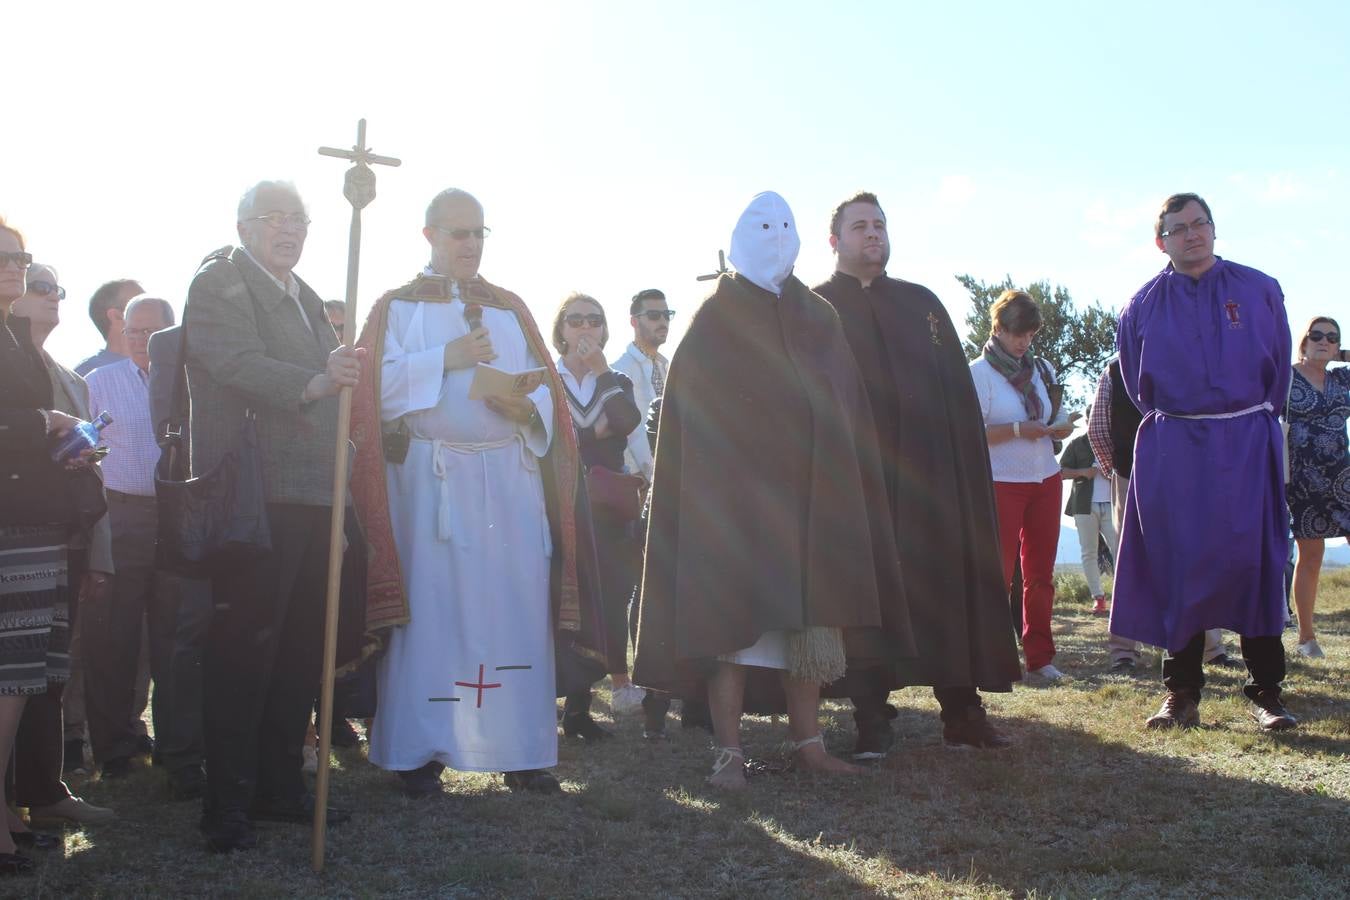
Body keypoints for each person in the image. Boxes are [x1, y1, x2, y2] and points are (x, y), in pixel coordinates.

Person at [632, 191, 914, 790]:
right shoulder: (715, 317)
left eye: (785, 225)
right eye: (763, 226)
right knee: (734, 634)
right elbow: (695, 416)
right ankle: (729, 753)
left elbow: (842, 403)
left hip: (811, 502)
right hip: (737, 506)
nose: (777, 236)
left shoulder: (817, 316)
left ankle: (808, 745)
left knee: (809, 629)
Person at [350, 187, 606, 800]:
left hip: (510, 484)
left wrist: (525, 403)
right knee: (436, 612)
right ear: (430, 236)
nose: (469, 244)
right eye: (457, 232)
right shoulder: (398, 307)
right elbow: (369, 392)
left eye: (478, 233)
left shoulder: (511, 308)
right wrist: (447, 356)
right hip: (431, 486)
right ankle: (419, 753)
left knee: (514, 610)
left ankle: (521, 753)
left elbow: (548, 396)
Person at [184, 180, 364, 851]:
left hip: (316, 498)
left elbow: (336, 409)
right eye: (274, 218)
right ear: (243, 225)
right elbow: (232, 362)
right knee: (244, 653)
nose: (289, 229)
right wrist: (316, 378)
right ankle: (226, 802)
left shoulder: (310, 298)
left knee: (298, 654)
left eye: (299, 219)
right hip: (255, 499)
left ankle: (279, 786)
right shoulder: (222, 280)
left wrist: (341, 503)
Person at [813, 192, 1021, 755]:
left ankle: (962, 710)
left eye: (879, 224)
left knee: (940, 586)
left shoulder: (921, 304)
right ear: (834, 241)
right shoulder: (813, 307)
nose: (872, 234)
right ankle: (871, 716)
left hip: (925, 478)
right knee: (868, 592)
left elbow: (954, 395)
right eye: (859, 227)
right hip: (854, 480)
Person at [1114, 192, 1296, 732]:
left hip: (1247, 441)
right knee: (1180, 562)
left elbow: (1280, 369)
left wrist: (1251, 426)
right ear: (1160, 240)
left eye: (1200, 224)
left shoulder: (1259, 290)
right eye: (1178, 228)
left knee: (1255, 560)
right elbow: (1134, 381)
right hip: (1176, 448)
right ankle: (1182, 692)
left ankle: (1267, 690)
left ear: (1214, 230)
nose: (1191, 234)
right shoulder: (1141, 305)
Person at [0, 218, 99, 875]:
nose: (16, 265)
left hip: (34, 515)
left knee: (24, 675)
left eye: (20, 256)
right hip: (10, 523)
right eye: (4, 258)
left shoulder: (12, 334)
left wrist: (61, 451)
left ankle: (8, 808)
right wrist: (44, 422)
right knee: (8, 679)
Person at [6, 263, 116, 830]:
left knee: (49, 670)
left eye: (55, 289)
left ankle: (44, 791)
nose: (50, 297)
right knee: (10, 674)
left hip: (65, 534)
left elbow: (88, 468)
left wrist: (99, 555)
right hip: (14, 533)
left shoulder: (70, 378)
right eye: (39, 287)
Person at [1088, 361, 1233, 673]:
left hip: (1181, 475)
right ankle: (1128, 651)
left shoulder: (1186, 356)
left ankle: (1207, 648)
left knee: (1191, 560)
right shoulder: (1116, 369)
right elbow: (1098, 429)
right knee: (1134, 563)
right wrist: (1119, 470)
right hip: (1135, 476)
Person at [83, 296, 176, 780]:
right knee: (115, 635)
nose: (140, 340)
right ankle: (114, 745)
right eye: (133, 331)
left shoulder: (186, 383)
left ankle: (174, 742)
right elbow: (80, 451)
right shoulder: (98, 383)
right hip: (119, 515)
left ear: (169, 333)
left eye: (151, 332)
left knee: (173, 634)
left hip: (177, 517)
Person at [970, 290, 1075, 684]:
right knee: (999, 575)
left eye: (1030, 334)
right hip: (1000, 483)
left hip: (1045, 480)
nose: (1024, 342)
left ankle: (1040, 658)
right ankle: (994, 657)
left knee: (1040, 575)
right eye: (1017, 333)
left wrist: (1062, 424)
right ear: (998, 327)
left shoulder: (1042, 368)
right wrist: (1017, 429)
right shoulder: (979, 373)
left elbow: (1057, 409)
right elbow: (972, 434)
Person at [551, 293, 642, 739]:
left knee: (604, 601)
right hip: (559, 502)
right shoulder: (547, 376)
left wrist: (603, 373)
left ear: (605, 329)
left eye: (594, 320)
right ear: (561, 329)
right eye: (575, 320)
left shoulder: (617, 378)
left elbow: (625, 422)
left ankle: (580, 710)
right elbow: (565, 432)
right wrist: (596, 429)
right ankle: (550, 697)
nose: (584, 328)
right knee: (560, 599)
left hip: (607, 509)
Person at [145, 323, 211, 798]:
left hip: (261, 506)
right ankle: (182, 756)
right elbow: (166, 431)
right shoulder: (171, 343)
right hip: (192, 509)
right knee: (184, 638)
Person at [608, 287, 673, 716]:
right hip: (635, 489)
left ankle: (667, 678)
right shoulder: (619, 371)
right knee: (632, 587)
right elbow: (631, 435)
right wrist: (649, 478)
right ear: (634, 320)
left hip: (668, 490)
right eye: (652, 315)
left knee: (663, 586)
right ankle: (631, 681)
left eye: (666, 314)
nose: (661, 321)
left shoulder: (670, 367)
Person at [1286, 315, 1350, 659]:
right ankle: (1306, 639)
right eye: (1317, 335)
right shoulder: (1286, 377)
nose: (1324, 340)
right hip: (1302, 478)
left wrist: (1342, 355)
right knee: (1311, 555)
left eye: (1332, 337)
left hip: (1343, 476)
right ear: (1304, 341)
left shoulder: (1342, 377)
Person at [1059, 427, 1115, 615]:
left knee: (1120, 552)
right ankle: (1098, 598)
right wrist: (1083, 472)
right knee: (1088, 552)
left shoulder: (1114, 441)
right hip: (1084, 505)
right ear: (1088, 420)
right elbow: (1061, 471)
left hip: (1113, 504)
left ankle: (1122, 597)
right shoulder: (1077, 444)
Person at [74, 279, 143, 377]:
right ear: (117, 316)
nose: (153, 308)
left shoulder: (164, 367)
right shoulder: (85, 375)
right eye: (141, 304)